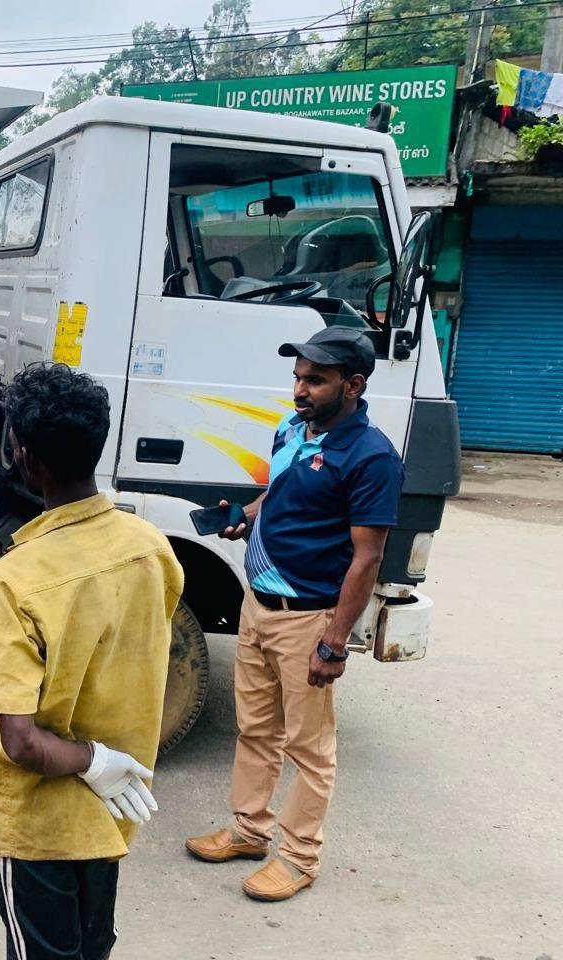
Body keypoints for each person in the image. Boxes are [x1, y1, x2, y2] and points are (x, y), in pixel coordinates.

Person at [185, 326, 403, 902]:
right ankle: (248, 831)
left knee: (309, 749)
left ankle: (300, 856)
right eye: (298, 378)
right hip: (257, 604)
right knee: (256, 730)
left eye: (316, 381)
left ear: (354, 385)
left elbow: (367, 557)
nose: (300, 391)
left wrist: (335, 642)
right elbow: (277, 494)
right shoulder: (292, 428)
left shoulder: (371, 457)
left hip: (308, 618)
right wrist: (246, 515)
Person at [0, 363, 183, 960]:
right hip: (113, 811)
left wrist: (91, 758)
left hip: (41, 827)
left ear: (24, 456)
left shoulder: (16, 577)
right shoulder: (151, 548)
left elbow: (21, 741)